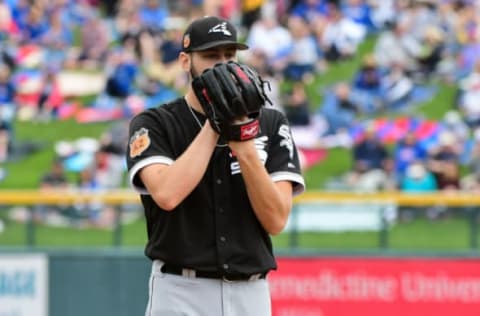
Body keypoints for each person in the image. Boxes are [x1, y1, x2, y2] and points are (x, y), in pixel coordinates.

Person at [125, 16, 305, 316]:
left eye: (229, 55)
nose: (223, 65)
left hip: (250, 291)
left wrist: (243, 142)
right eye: (210, 56)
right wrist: (214, 125)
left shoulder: (270, 122)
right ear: (185, 61)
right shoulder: (155, 123)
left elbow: (275, 220)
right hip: (181, 289)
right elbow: (167, 195)